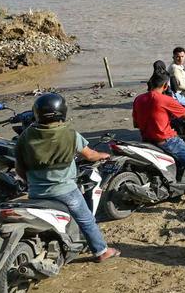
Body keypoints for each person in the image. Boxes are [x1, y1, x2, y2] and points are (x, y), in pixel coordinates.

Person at [15, 92, 120, 262]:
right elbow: (90, 155)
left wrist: (31, 183)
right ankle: (101, 251)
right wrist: (103, 155)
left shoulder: (25, 136)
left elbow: (19, 169)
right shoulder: (70, 134)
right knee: (87, 220)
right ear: (62, 112)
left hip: (36, 193)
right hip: (66, 191)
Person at [132, 71, 185, 201]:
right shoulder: (165, 99)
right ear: (166, 86)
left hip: (147, 140)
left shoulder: (138, 99)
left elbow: (136, 124)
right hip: (166, 141)